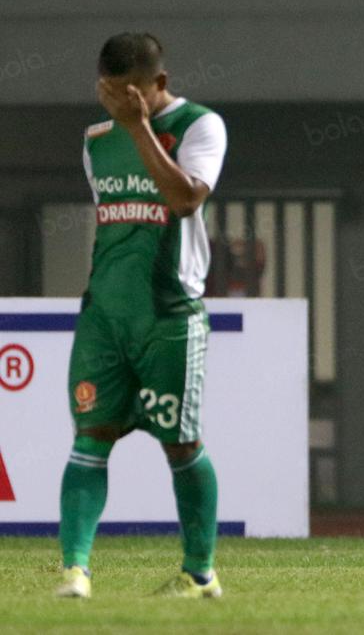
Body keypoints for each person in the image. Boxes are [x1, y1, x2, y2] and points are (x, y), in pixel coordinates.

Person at [56, 33, 228, 598]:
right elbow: (118, 223)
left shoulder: (201, 125)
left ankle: (199, 573)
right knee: (91, 436)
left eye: (128, 93)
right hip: (105, 313)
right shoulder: (95, 140)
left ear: (158, 83)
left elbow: (184, 201)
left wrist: (138, 127)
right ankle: (75, 571)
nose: (115, 103)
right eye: (106, 91)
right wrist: (123, 124)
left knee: (180, 444)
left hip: (167, 313)